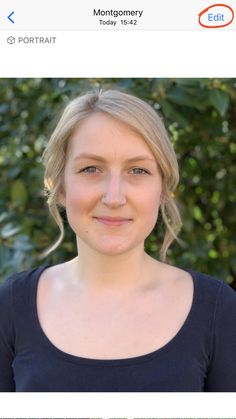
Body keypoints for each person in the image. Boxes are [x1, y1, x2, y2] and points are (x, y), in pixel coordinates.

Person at [0, 89, 236, 393]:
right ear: (60, 187)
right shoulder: (9, 308)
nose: (114, 197)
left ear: (162, 189)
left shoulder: (220, 311)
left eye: (138, 170)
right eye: (90, 169)